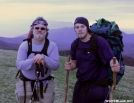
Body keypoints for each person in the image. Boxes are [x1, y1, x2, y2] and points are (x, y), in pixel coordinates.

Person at [64, 17, 120, 103]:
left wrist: (115, 65)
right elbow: (75, 62)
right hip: (80, 87)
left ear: (87, 28)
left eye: (82, 26)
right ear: (74, 29)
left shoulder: (99, 41)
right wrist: (70, 66)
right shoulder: (75, 44)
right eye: (77, 27)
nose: (80, 29)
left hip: (98, 88)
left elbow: (110, 59)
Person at [15, 17, 60, 103]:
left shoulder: (52, 46)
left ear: (46, 31)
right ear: (32, 29)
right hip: (26, 84)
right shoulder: (24, 45)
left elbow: (56, 65)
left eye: (42, 28)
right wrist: (34, 60)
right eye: (37, 28)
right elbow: (19, 65)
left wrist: (44, 58)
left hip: (45, 84)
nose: (39, 30)